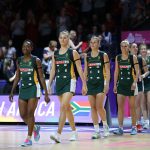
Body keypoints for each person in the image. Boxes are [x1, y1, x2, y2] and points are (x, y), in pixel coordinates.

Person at [9, 40, 50, 147]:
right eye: (23, 47)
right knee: (23, 115)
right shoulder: (19, 60)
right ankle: (35, 127)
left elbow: (41, 77)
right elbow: (18, 76)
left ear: (31, 48)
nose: (25, 48)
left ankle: (28, 138)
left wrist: (46, 93)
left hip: (33, 88)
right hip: (23, 89)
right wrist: (12, 91)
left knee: (30, 113)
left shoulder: (36, 60)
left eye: (27, 47)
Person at [48, 30, 87, 143]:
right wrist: (49, 84)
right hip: (59, 82)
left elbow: (80, 69)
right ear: (58, 39)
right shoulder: (55, 54)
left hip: (70, 81)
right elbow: (53, 70)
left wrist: (84, 84)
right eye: (61, 38)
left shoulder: (73, 52)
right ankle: (74, 132)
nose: (63, 40)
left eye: (65, 38)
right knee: (67, 108)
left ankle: (58, 134)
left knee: (64, 106)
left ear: (68, 40)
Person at [84, 36, 110, 139]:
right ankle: (96, 131)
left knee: (99, 106)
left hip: (100, 83)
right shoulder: (87, 56)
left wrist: (107, 84)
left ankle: (105, 127)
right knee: (93, 107)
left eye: (95, 43)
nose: (93, 44)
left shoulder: (103, 55)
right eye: (91, 42)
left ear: (98, 44)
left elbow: (107, 71)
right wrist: (84, 85)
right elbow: (86, 71)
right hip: (90, 83)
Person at [113, 40, 139, 135]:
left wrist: (134, 82)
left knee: (132, 107)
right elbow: (116, 72)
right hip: (121, 85)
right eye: (122, 46)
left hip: (131, 85)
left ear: (129, 47)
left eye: (126, 46)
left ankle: (134, 127)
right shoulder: (118, 58)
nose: (124, 48)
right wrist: (115, 84)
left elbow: (137, 71)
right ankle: (120, 128)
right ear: (120, 47)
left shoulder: (133, 57)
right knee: (120, 107)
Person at [130, 43, 149, 132]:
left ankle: (138, 124)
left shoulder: (141, 59)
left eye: (136, 47)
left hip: (139, 84)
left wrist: (142, 76)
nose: (135, 48)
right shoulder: (126, 59)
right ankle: (134, 123)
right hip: (128, 84)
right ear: (129, 49)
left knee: (138, 105)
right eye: (133, 47)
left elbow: (147, 72)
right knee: (132, 105)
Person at [139, 43, 150, 129]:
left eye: (144, 49)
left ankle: (148, 121)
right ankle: (146, 122)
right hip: (142, 84)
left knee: (149, 103)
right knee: (143, 104)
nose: (143, 50)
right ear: (140, 51)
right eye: (142, 49)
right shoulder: (138, 59)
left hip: (149, 83)